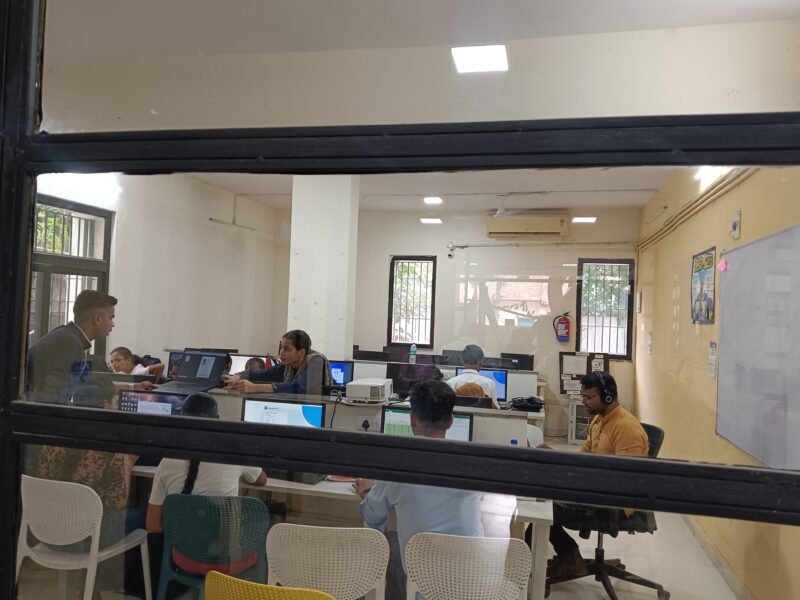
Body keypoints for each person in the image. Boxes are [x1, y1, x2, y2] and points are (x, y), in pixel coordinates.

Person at [353, 381, 483, 595]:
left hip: (422, 586)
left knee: (389, 544)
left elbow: (373, 516)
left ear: (412, 419)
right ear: (451, 421)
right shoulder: (472, 463)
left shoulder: (398, 465)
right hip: (471, 582)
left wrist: (368, 491)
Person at [37, 376, 144, 598]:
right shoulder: (109, 442)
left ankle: (88, 590)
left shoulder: (53, 435)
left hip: (47, 531)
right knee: (141, 515)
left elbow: (43, 479)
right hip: (81, 538)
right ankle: (95, 589)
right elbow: (119, 501)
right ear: (106, 403)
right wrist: (127, 464)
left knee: (94, 518)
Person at [543, 371, 649, 579]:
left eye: (589, 397)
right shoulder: (599, 421)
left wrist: (583, 484)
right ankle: (566, 556)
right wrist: (556, 458)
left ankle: (565, 557)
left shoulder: (626, 428)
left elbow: (627, 479)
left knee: (548, 508)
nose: (584, 402)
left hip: (617, 501)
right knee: (544, 497)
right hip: (599, 489)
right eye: (582, 396)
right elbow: (584, 456)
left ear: (607, 397)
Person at [145, 393, 267, 533]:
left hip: (177, 546)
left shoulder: (168, 461)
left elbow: (153, 526)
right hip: (223, 546)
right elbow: (261, 480)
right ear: (217, 420)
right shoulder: (234, 453)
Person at [26, 289, 117, 404]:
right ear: (97, 319)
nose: (113, 324)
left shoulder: (69, 336)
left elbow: (81, 381)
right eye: (110, 318)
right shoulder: (69, 342)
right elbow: (52, 397)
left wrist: (127, 388)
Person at [225, 330, 332, 395]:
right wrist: (237, 376)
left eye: (287, 349)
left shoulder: (317, 361)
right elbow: (261, 374)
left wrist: (255, 387)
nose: (281, 353)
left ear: (301, 352)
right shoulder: (287, 365)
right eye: (281, 348)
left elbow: (299, 386)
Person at [446, 344, 498, 408]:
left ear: (462, 361)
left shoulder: (450, 383)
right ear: (481, 362)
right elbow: (495, 410)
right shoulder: (490, 384)